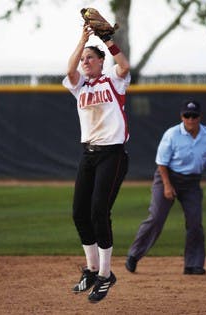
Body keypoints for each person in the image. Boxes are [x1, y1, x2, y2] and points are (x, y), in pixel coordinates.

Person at [62, 24, 131, 303]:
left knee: (98, 211)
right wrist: (82, 40)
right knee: (80, 212)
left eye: (90, 58)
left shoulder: (113, 80)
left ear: (102, 61)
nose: (84, 62)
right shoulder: (80, 86)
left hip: (112, 155)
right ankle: (91, 270)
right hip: (88, 155)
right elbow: (70, 72)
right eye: (83, 59)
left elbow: (124, 66)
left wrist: (106, 41)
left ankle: (105, 275)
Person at [125, 100, 206, 275]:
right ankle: (133, 255)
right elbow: (161, 163)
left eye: (194, 116)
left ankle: (193, 264)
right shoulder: (172, 134)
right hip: (167, 177)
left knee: (195, 223)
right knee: (156, 218)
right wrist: (167, 186)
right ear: (181, 116)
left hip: (192, 182)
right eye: (187, 115)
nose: (191, 119)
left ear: (200, 117)